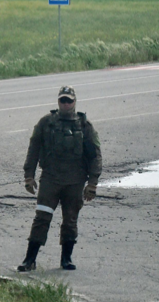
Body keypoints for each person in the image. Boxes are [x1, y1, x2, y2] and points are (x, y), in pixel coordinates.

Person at [18, 86, 102, 272]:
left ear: (74, 102)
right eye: (62, 100)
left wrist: (92, 184)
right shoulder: (46, 123)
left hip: (75, 181)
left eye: (69, 101)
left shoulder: (84, 126)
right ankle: (29, 259)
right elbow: (33, 150)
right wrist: (29, 176)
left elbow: (95, 156)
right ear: (58, 102)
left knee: (70, 220)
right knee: (42, 218)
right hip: (50, 180)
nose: (66, 104)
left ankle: (66, 259)